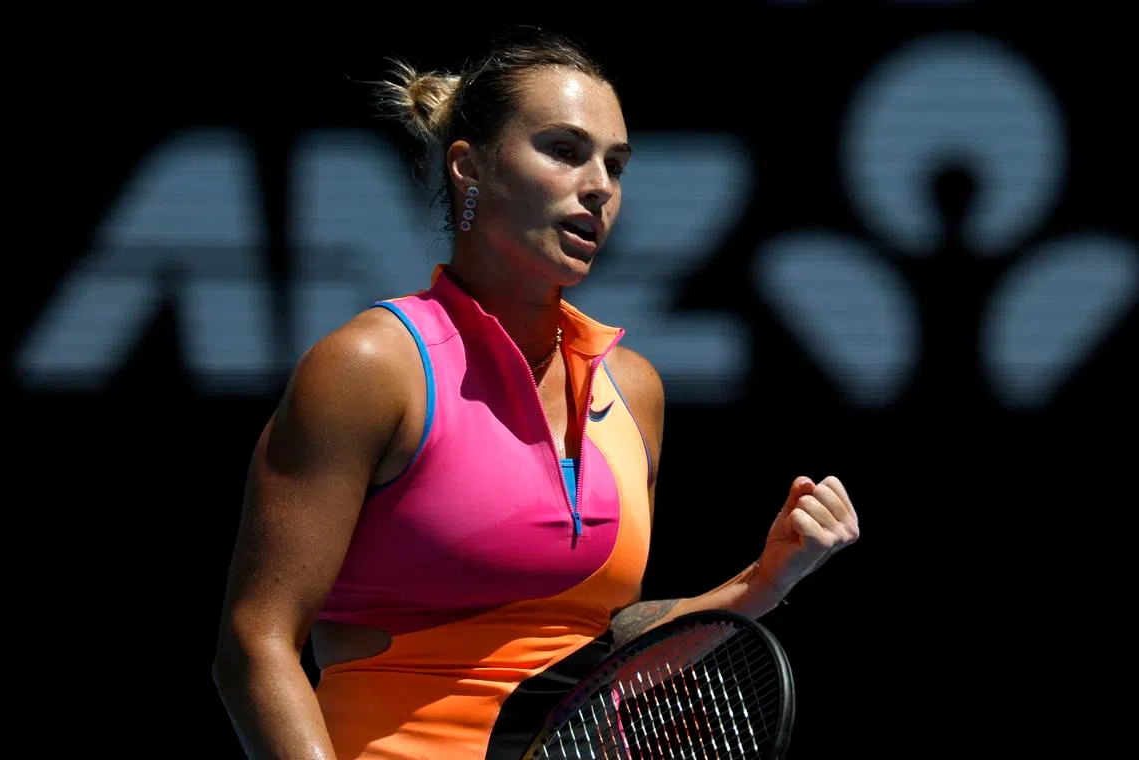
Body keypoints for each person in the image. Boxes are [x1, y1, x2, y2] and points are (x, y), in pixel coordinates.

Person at [211, 26, 860, 760]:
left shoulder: (633, 389)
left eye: (615, 165)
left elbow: (597, 646)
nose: (600, 188)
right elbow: (254, 645)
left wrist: (764, 579)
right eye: (564, 150)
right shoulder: (369, 366)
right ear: (469, 168)